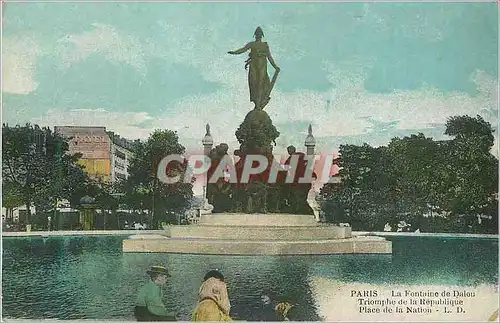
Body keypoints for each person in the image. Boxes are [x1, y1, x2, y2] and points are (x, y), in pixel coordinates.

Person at [228, 26, 280, 110]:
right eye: (257, 34)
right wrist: (234, 52)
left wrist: (275, 66)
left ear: (262, 35)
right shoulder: (252, 44)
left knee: (260, 84)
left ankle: (258, 105)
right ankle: (257, 104)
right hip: (254, 67)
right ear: (255, 35)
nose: (258, 35)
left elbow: (269, 56)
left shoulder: (265, 45)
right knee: (253, 84)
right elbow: (243, 49)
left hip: (262, 66)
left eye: (259, 34)